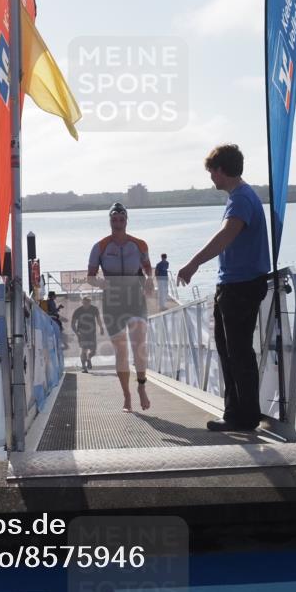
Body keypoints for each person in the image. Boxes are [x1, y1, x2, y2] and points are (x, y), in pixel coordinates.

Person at [177, 144, 269, 432]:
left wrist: (192, 264)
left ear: (220, 170)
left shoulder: (240, 199)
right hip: (237, 284)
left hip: (240, 286)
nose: (210, 177)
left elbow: (225, 236)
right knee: (230, 351)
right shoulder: (243, 196)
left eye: (211, 172)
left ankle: (243, 416)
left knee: (237, 353)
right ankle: (236, 413)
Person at [88, 202, 155, 412]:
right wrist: (100, 283)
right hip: (113, 301)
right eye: (114, 219)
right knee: (121, 350)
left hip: (135, 298)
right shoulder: (100, 246)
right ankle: (127, 395)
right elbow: (90, 277)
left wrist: (150, 279)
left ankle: (141, 386)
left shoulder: (139, 244)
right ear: (110, 221)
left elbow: (148, 268)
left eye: (121, 219)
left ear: (126, 220)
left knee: (139, 342)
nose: (118, 223)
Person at [71, 296, 105, 372]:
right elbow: (72, 324)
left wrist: (101, 327)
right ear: (82, 302)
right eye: (84, 303)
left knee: (93, 351)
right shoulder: (78, 311)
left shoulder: (94, 309)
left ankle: (89, 358)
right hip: (82, 333)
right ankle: (84, 367)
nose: (85, 304)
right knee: (84, 350)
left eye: (87, 303)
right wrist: (77, 333)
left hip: (92, 333)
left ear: (90, 302)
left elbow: (98, 319)